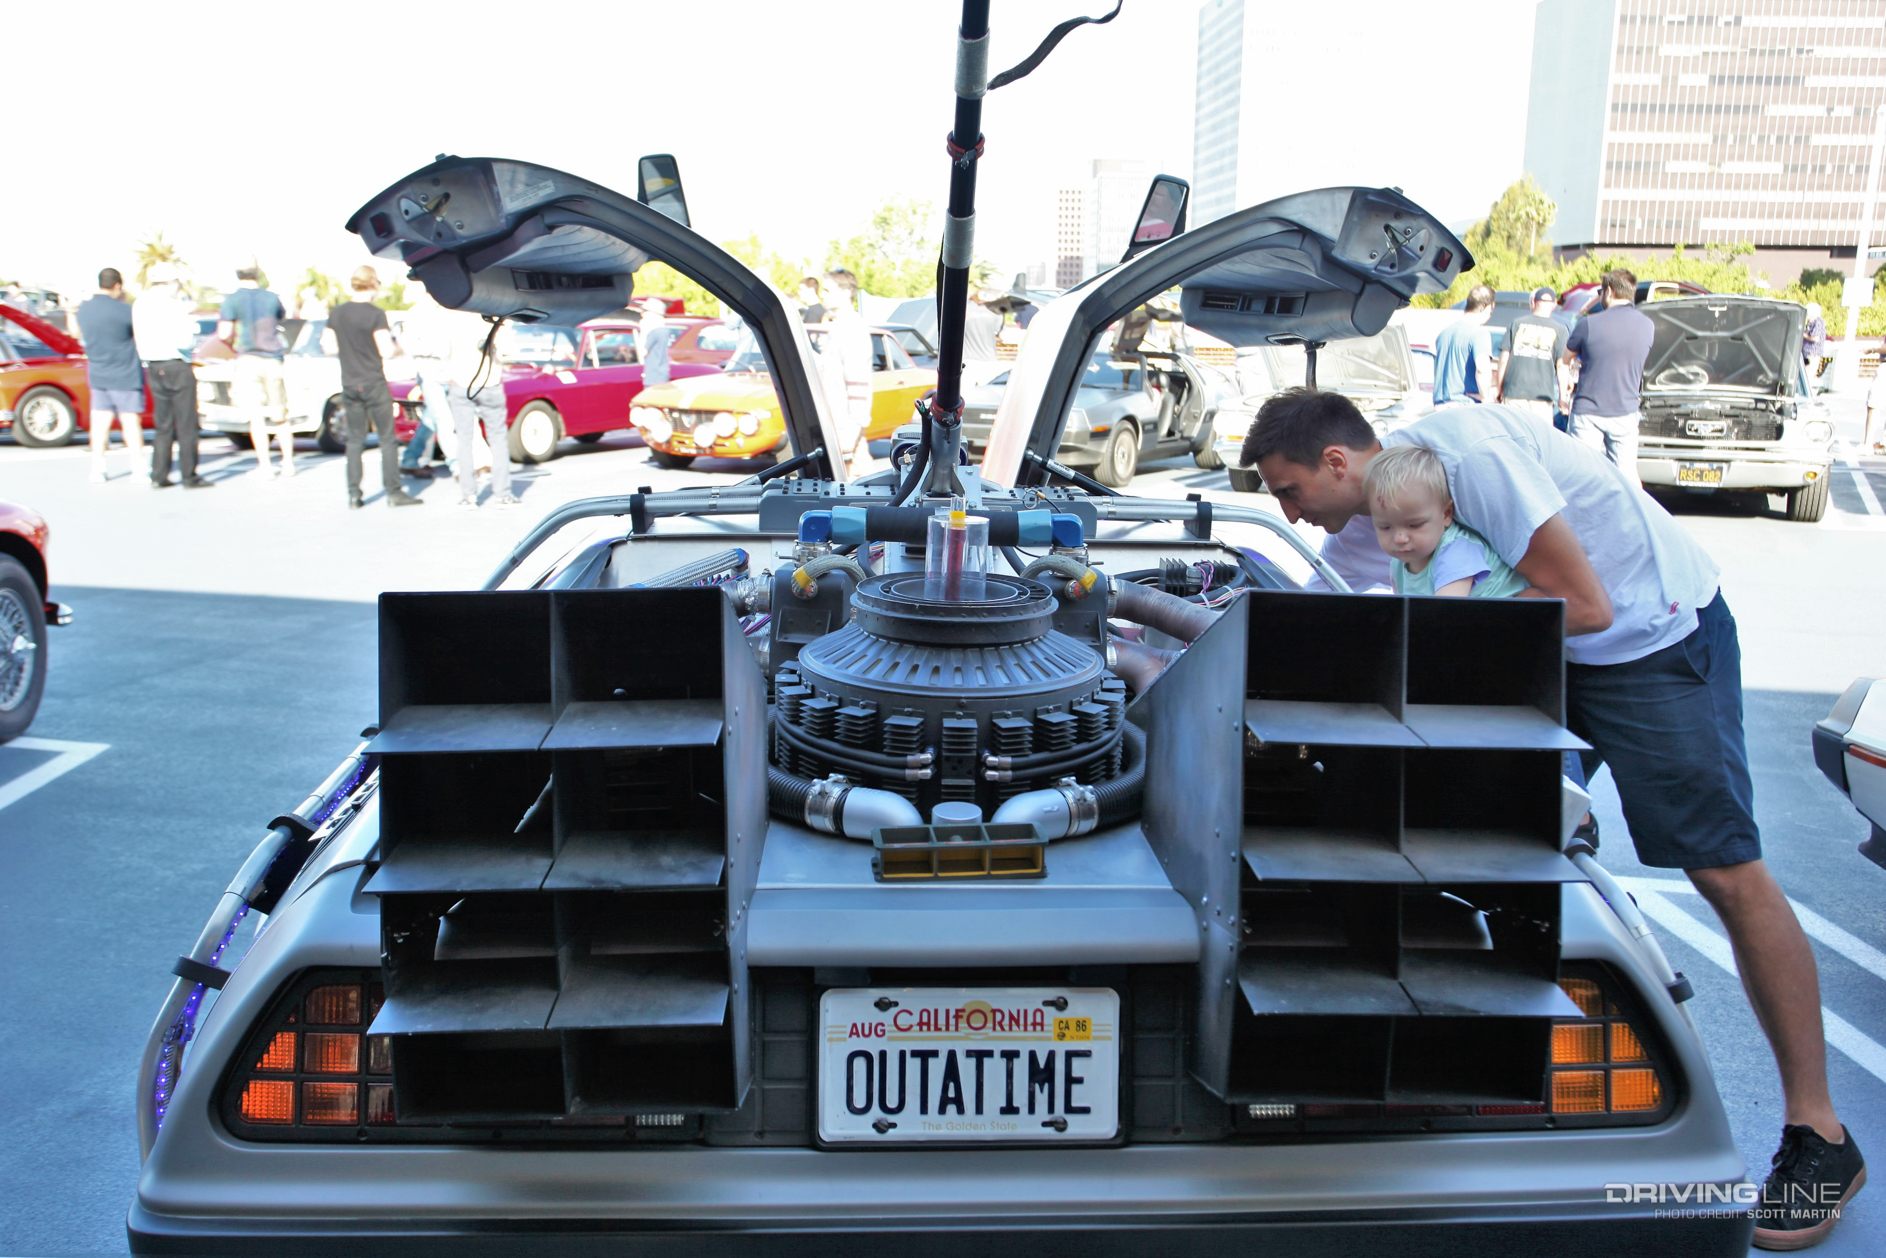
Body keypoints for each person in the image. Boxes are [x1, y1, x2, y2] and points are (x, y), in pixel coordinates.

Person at [1245, 388, 1863, 1251]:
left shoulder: (1468, 460)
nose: (1289, 514)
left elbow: (1586, 604)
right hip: (1537, 649)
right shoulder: (1368, 516)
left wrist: (1440, 624)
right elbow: (1337, 617)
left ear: (1337, 463)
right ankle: (1479, 1090)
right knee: (1489, 845)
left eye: (1289, 492)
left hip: (1647, 641)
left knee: (1725, 871)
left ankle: (1820, 1133)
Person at [1363, 444, 1525, 598]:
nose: (1400, 538)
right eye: (1385, 527)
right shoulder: (1398, 565)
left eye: (1414, 525)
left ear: (1446, 514)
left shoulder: (1456, 551)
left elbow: (1445, 611)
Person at [322, 267, 421, 509]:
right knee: (387, 438)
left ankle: (354, 495)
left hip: (349, 383)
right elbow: (386, 350)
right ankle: (394, 493)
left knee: (355, 440)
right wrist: (399, 347)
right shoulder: (375, 314)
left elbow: (329, 347)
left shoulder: (337, 313)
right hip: (374, 382)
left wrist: (350, 347)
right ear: (373, 284)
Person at [1560, 269, 1654, 486]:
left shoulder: (1588, 324)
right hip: (1626, 411)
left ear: (1609, 291)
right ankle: (1633, 507)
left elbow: (1564, 360)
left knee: (1583, 475)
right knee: (1627, 476)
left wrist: (1564, 393)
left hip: (1588, 411)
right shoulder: (1647, 326)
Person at [132, 264, 211, 489]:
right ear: (171, 282)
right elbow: (184, 341)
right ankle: (189, 475)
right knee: (187, 424)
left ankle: (159, 474)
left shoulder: (140, 303)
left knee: (163, 424)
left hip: (153, 366)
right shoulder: (174, 305)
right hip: (176, 365)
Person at [218, 266, 293, 477]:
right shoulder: (271, 298)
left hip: (248, 358)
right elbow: (282, 317)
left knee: (256, 416)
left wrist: (234, 344)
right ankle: (288, 463)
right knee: (280, 414)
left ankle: (266, 466)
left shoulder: (232, 300)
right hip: (273, 357)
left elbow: (224, 333)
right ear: (257, 274)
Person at [74, 268, 146, 483]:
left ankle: (98, 468)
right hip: (125, 374)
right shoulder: (125, 310)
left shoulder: (84, 309)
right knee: (130, 423)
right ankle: (138, 468)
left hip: (98, 374)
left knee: (100, 424)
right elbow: (139, 336)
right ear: (117, 286)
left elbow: (76, 333)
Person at [821, 268, 875, 463]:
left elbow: (858, 383)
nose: (822, 295)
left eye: (827, 290)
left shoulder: (851, 328)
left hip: (844, 425)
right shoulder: (840, 325)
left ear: (845, 293)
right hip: (838, 422)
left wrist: (851, 431)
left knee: (854, 476)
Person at [1497, 286, 1570, 424]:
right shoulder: (1560, 330)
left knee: (1512, 434)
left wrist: (1499, 388)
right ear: (1554, 305)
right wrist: (1563, 397)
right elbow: (1562, 366)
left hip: (1514, 392)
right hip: (1542, 397)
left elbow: (1503, 360)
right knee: (1539, 435)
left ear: (1533, 303)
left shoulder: (1517, 324)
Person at [1431, 284, 1497, 407]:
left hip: (1440, 406)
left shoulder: (1444, 334)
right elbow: (1482, 369)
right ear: (1488, 308)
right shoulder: (1479, 334)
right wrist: (1485, 398)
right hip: (1464, 405)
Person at [638, 298, 678, 391]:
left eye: (645, 311)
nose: (642, 314)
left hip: (653, 376)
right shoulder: (665, 331)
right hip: (662, 374)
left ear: (653, 314)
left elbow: (643, 352)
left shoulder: (654, 332)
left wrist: (643, 331)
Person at [963, 289, 1002, 363]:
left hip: (967, 358)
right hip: (989, 358)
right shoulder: (996, 311)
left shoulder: (964, 307)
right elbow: (998, 332)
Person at [1804, 301, 1827, 378]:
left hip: (1812, 354)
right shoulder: (1810, 322)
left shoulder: (1818, 322)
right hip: (1806, 353)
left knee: (1808, 375)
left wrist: (1803, 335)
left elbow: (1815, 338)